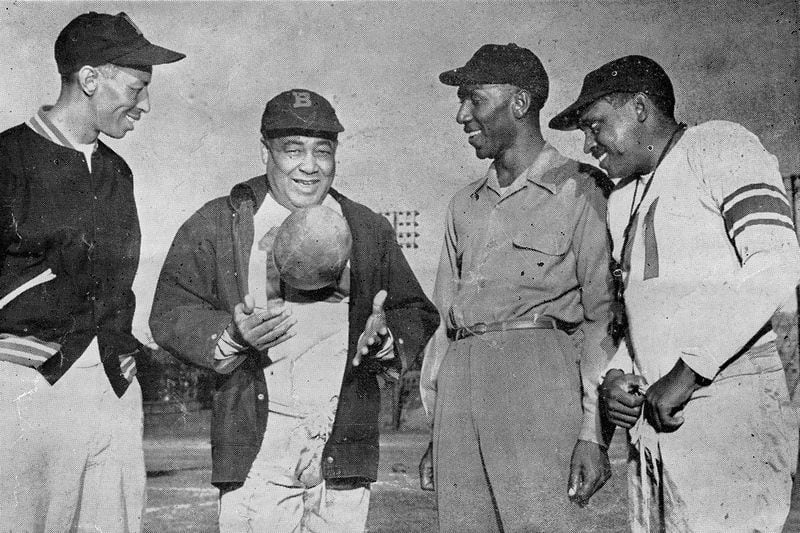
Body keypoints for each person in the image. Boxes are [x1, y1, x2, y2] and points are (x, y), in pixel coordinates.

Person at [149, 88, 439, 532]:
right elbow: (170, 310)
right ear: (264, 151)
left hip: (341, 438)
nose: (309, 166)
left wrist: (385, 343)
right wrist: (230, 334)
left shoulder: (367, 228)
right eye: (293, 150)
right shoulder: (220, 221)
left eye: (322, 151)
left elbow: (414, 309)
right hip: (257, 442)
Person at [550, 55, 800, 531]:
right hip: (656, 417)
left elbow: (777, 263)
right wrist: (617, 373)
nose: (589, 144)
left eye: (595, 125)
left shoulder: (720, 144)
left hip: (727, 402)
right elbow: (637, 314)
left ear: (640, 107)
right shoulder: (624, 197)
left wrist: (689, 372)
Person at [418, 43, 616, 531]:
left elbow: (602, 317)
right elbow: (445, 324)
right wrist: (438, 430)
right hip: (460, 391)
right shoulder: (463, 204)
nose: (462, 114)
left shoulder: (582, 190)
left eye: (474, 99)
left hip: (538, 385)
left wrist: (592, 433)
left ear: (520, 103)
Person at [0, 11, 184, 533]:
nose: (144, 104)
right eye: (137, 86)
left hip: (114, 385)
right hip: (26, 387)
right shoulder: (7, 158)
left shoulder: (116, 171)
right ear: (89, 79)